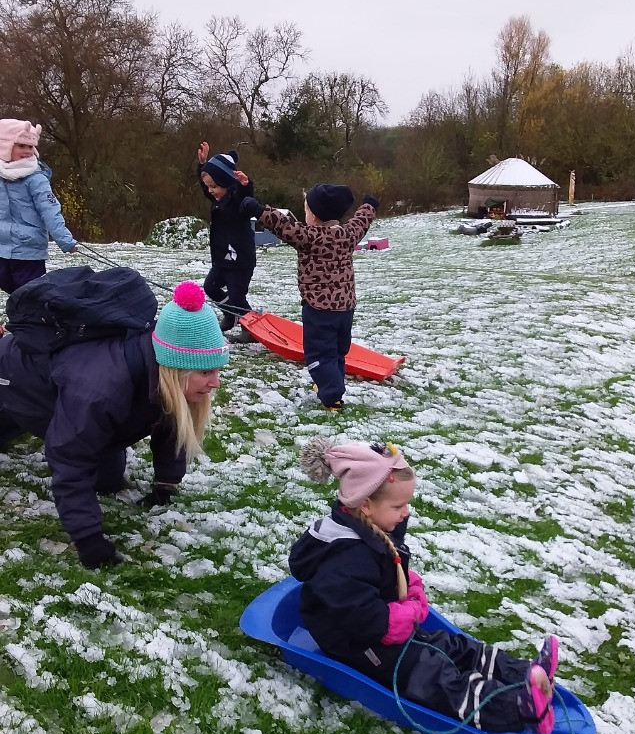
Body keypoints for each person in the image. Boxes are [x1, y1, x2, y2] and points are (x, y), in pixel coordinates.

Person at [289, 438, 559, 734]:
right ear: (365, 504)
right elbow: (367, 621)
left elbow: (386, 569)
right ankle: (520, 708)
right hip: (358, 643)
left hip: (385, 621)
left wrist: (408, 587)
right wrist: (408, 612)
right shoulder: (342, 559)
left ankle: (524, 674)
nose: (405, 512)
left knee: (450, 645)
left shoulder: (371, 527)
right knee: (429, 674)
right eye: (399, 505)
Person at [0, 280, 229, 568]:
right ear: (174, 368)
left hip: (75, 390)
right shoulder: (99, 390)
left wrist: (166, 483)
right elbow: (70, 455)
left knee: (107, 480)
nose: (215, 382)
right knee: (48, 425)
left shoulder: (164, 372)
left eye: (217, 369)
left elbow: (173, 419)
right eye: (206, 371)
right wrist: (88, 539)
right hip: (19, 376)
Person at [239, 180, 379, 412]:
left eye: (306, 209)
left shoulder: (310, 236)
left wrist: (257, 210)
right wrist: (369, 205)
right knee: (336, 352)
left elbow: (282, 225)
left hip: (319, 309)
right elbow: (361, 221)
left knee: (318, 354)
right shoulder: (347, 234)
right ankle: (331, 384)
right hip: (345, 308)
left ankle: (332, 396)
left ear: (315, 215)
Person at [0, 118, 78, 293]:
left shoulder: (36, 178)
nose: (28, 151)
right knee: (10, 287)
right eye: (21, 146)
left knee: (30, 294)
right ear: (5, 146)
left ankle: (31, 319)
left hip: (29, 251)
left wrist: (66, 241)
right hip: (2, 248)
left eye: (30, 147)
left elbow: (50, 210)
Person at [197, 141, 257, 332]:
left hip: (240, 262)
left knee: (238, 298)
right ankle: (230, 314)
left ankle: (251, 329)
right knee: (210, 287)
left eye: (214, 186)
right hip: (222, 259)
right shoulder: (218, 199)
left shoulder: (237, 200)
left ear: (226, 182)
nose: (210, 191)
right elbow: (206, 187)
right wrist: (202, 164)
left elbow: (247, 199)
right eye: (208, 187)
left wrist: (246, 186)